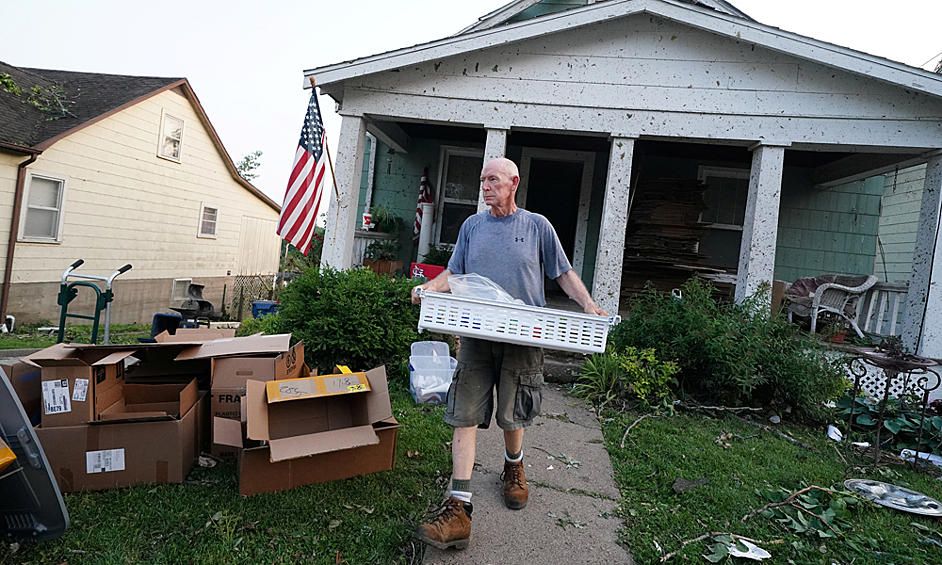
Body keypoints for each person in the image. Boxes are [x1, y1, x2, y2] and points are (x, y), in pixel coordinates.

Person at [410, 157, 608, 550]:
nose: (484, 186)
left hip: (522, 336)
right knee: (463, 413)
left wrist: (588, 304)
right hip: (476, 337)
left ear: (513, 183)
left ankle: (513, 468)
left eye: (493, 180)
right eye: (483, 180)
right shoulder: (472, 227)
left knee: (512, 413)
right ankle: (459, 510)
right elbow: (454, 273)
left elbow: (563, 273)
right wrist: (429, 289)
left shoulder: (536, 226)